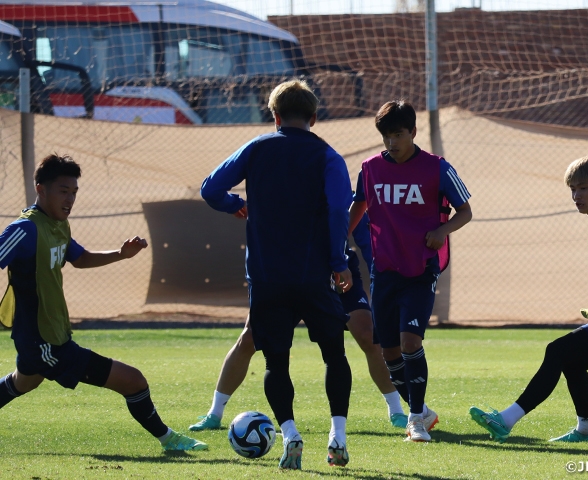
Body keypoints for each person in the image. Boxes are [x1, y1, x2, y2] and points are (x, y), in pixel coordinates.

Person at [0, 154, 207, 452]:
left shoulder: (57, 225)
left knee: (23, 383)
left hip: (51, 335)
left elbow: (80, 258)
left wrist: (121, 254)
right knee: (133, 381)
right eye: (63, 191)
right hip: (43, 343)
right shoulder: (25, 230)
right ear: (40, 189)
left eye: (74, 192)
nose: (70, 199)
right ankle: (169, 439)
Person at [201, 80, 353, 469]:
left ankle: (290, 434)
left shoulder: (256, 148)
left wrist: (234, 203)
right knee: (334, 355)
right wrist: (338, 261)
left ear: (275, 116)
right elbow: (340, 209)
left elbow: (210, 189)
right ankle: (337, 436)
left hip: (267, 276)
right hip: (314, 274)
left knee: (275, 363)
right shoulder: (328, 156)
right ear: (314, 118)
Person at [188, 212, 413, 435]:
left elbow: (364, 234)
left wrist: (379, 275)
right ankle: (215, 413)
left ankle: (397, 411)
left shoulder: (341, 194)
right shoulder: (276, 196)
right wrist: (236, 204)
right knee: (249, 338)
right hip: (287, 273)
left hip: (335, 271)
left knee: (368, 335)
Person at [470, 156, 588, 444]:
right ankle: (587, 429)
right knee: (570, 359)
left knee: (558, 351)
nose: (576, 196)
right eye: (572, 189)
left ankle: (506, 420)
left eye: (583, 188)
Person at [349, 100, 472, 442]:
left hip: (421, 269)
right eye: (386, 136)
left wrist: (442, 231)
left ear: (414, 132)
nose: (392, 143)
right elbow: (358, 206)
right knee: (388, 351)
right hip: (384, 270)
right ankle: (423, 410)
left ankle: (415, 419)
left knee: (409, 342)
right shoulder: (370, 168)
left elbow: (465, 211)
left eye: (399, 135)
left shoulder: (437, 168)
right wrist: (336, 241)